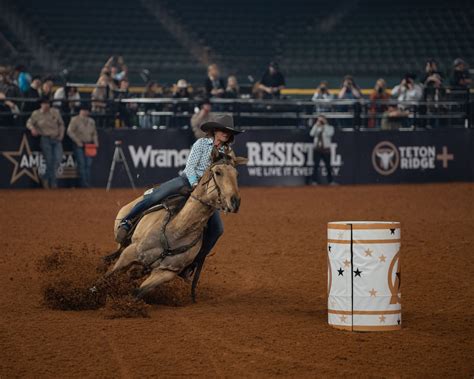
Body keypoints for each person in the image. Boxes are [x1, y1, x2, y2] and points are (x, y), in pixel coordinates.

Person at [115, 114, 243, 272]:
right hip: (187, 181)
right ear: (215, 130)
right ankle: (126, 222)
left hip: (207, 193)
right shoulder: (201, 144)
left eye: (228, 131)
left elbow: (227, 176)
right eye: (223, 130)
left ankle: (193, 262)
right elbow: (190, 168)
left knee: (217, 230)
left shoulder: (228, 152)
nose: (226, 133)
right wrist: (195, 184)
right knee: (156, 195)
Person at [26, 97, 65, 188]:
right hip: (45, 138)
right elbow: (29, 122)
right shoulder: (36, 114)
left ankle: (45, 177)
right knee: (49, 160)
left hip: (56, 138)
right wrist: (32, 128)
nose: (47, 105)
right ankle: (53, 182)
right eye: (45, 103)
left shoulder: (55, 112)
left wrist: (61, 135)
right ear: (41, 104)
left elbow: (61, 124)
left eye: (48, 103)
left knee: (58, 160)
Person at [67, 104, 99, 187]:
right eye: (83, 110)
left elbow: (94, 133)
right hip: (79, 145)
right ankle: (84, 184)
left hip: (89, 144)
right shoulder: (75, 120)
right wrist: (77, 141)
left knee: (88, 164)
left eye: (86, 110)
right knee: (82, 164)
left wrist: (95, 142)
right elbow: (70, 131)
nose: (85, 112)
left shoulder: (91, 121)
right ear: (80, 111)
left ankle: (87, 183)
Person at [309, 115, 335, 185]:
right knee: (316, 166)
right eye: (319, 120)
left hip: (326, 150)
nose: (321, 121)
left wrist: (325, 125)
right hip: (317, 149)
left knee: (328, 166)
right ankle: (314, 181)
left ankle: (330, 181)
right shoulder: (316, 127)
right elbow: (311, 134)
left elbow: (330, 133)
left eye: (322, 120)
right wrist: (316, 125)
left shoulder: (329, 127)